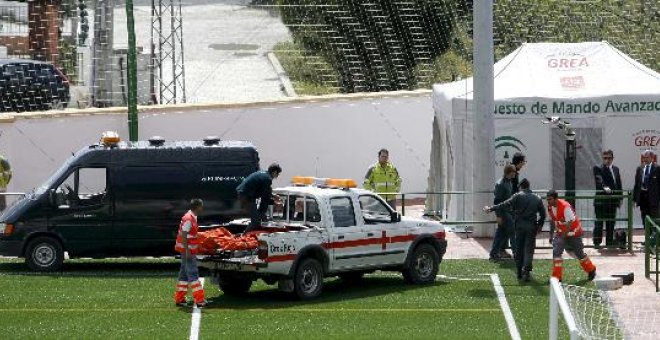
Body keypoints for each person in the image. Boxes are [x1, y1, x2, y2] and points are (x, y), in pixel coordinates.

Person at [484, 179, 546, 281]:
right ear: (529, 186)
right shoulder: (537, 198)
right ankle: (526, 271)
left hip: (519, 226)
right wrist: (540, 225)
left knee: (519, 249)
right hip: (531, 226)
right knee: (529, 250)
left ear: (521, 186)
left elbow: (504, 204)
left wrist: (491, 208)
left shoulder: (517, 196)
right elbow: (543, 215)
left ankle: (519, 271)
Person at [546, 190, 597, 282]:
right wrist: (551, 235)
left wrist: (563, 236)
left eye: (550, 199)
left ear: (556, 199)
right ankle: (557, 277)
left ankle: (591, 269)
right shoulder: (550, 207)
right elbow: (553, 221)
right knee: (556, 252)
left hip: (574, 234)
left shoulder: (565, 207)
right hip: (561, 233)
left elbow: (570, 223)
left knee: (579, 254)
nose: (548, 201)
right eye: (547, 199)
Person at [174, 199, 207, 308]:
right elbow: (184, 235)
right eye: (201, 206)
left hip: (186, 250)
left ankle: (180, 298)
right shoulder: (189, 218)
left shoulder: (190, 217)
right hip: (188, 251)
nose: (202, 208)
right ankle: (199, 300)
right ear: (197, 207)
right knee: (193, 274)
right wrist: (188, 251)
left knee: (183, 275)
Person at [237, 163, 282, 233]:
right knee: (256, 221)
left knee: (262, 217)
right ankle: (243, 236)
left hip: (245, 194)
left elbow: (265, 190)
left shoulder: (263, 174)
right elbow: (265, 198)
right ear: (275, 172)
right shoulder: (267, 179)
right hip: (246, 196)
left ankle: (262, 234)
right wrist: (274, 203)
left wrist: (273, 195)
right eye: (278, 174)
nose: (277, 176)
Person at [592, 150, 623, 249]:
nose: (607, 160)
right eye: (605, 158)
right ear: (602, 158)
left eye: (609, 158)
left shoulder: (616, 169)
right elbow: (599, 179)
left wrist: (620, 197)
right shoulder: (598, 168)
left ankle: (609, 242)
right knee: (599, 223)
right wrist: (604, 187)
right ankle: (597, 242)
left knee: (611, 223)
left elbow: (618, 183)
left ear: (612, 158)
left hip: (612, 201)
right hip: (601, 201)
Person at [489, 165, 516, 262]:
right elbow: (497, 201)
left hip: (507, 211)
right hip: (503, 212)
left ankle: (494, 254)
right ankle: (516, 254)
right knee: (512, 232)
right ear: (509, 172)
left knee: (500, 233)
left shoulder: (509, 182)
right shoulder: (500, 184)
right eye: (514, 171)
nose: (515, 173)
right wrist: (499, 216)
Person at [633, 150, 660, 231]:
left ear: (652, 158)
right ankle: (647, 239)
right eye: (644, 157)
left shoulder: (657, 168)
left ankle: (655, 241)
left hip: (653, 200)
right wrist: (634, 199)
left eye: (647, 157)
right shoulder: (640, 168)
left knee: (654, 220)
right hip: (643, 199)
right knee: (645, 219)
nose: (645, 159)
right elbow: (637, 184)